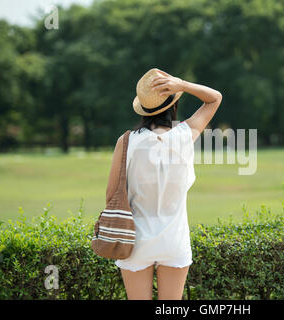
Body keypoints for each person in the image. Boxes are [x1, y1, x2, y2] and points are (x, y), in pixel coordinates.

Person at [105, 68, 222, 300]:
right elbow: (215, 98)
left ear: (144, 108)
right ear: (173, 105)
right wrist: (182, 84)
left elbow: (111, 195)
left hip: (135, 240)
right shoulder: (186, 134)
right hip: (174, 240)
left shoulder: (126, 141)